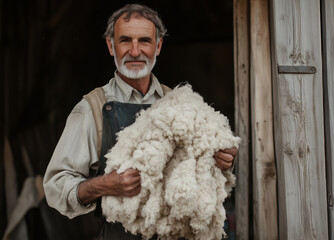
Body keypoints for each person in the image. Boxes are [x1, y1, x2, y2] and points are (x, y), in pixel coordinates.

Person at [43, 3, 237, 239]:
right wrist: (105, 184)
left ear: (158, 46)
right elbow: (56, 187)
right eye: (125, 40)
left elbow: (207, 176)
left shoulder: (182, 104)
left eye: (144, 41)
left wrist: (221, 160)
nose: (135, 51)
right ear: (111, 46)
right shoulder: (91, 109)